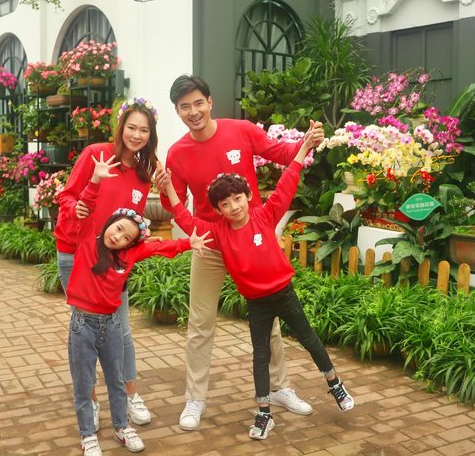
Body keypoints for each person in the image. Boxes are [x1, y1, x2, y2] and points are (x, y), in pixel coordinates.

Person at [159, 122, 355, 440]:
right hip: (209, 244)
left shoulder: (262, 210)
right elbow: (181, 212)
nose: (233, 206)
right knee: (201, 323)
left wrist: (305, 145)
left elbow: (287, 173)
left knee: (278, 334)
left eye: (197, 102)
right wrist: (166, 187)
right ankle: (195, 398)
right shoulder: (181, 157)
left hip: (270, 274)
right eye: (225, 203)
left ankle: (280, 389)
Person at [69, 152, 211, 455]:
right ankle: (87, 436)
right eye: (118, 228)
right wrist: (94, 180)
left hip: (110, 324)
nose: (118, 237)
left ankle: (122, 427)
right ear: (110, 223)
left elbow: (161, 246)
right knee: (83, 383)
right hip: (82, 325)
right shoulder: (87, 239)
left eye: (126, 237)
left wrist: (189, 242)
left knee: (117, 381)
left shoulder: (129, 254)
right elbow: (87, 206)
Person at [55, 99, 159, 429]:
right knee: (82, 332)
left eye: (144, 130)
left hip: (112, 263)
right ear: (121, 127)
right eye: (132, 127)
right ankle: (91, 400)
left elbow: (131, 228)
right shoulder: (96, 155)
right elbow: (66, 195)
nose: (137, 135)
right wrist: (75, 208)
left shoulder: (143, 175)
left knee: (122, 329)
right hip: (75, 253)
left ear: (151, 135)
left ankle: (130, 395)